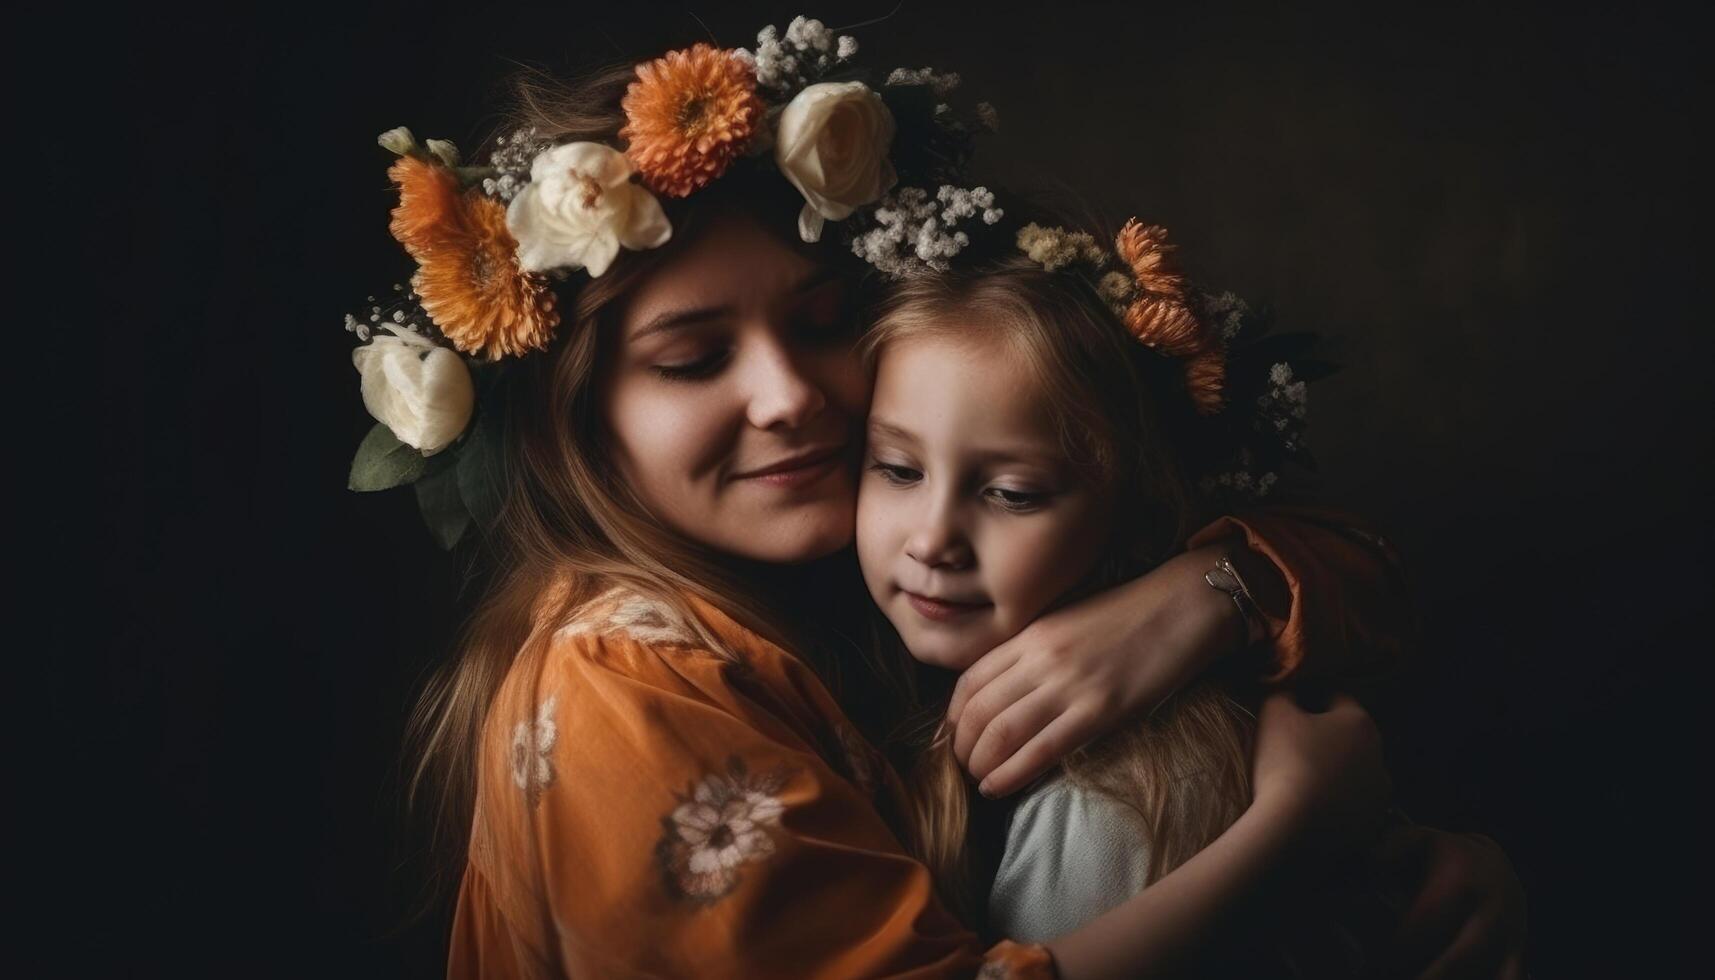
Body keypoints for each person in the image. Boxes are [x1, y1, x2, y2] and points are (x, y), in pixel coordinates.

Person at [339, 17, 1521, 978]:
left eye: (820, 323)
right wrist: (1292, 834)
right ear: (578, 420)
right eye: (693, 359)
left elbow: (1361, 574)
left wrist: (1197, 600)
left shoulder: (860, 568)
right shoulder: (628, 679)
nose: (791, 395)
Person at [855, 213, 1526, 977]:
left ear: (1132, 512)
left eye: (1013, 493)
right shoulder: (862, 665)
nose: (932, 538)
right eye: (897, 470)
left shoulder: (1110, 810)